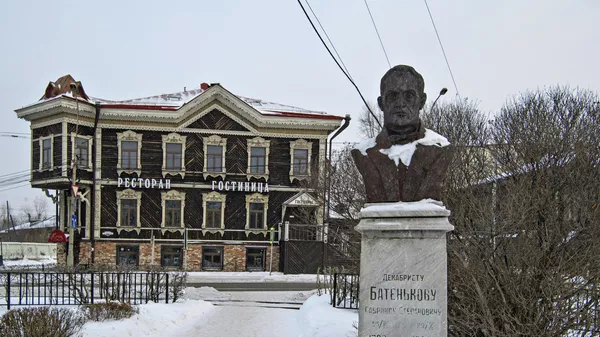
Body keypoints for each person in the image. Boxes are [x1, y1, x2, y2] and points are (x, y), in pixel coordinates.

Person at [351, 65, 453, 202]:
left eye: (409, 96)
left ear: (421, 101)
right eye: (393, 96)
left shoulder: (440, 150)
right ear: (381, 103)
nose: (400, 103)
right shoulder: (364, 153)